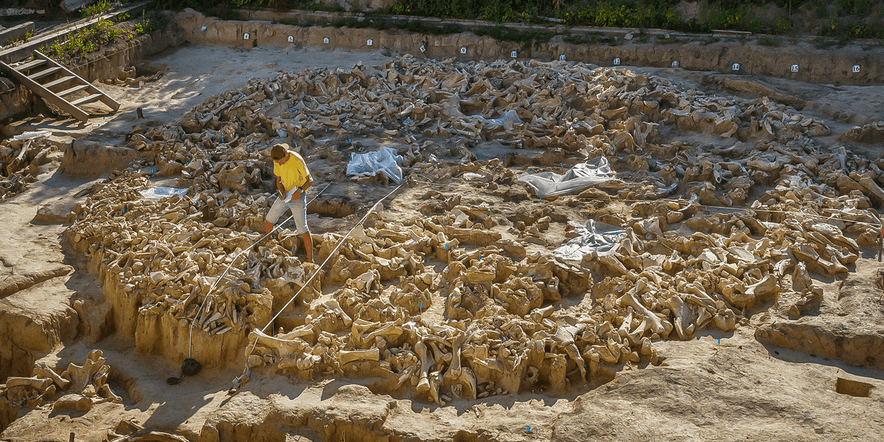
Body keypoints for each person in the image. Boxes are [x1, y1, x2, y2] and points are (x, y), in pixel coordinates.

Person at [266, 143, 314, 262]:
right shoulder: (277, 160)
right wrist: (281, 191)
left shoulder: (297, 159)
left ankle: (310, 259)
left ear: (286, 154)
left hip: (298, 194)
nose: (279, 164)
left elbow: (310, 180)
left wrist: (300, 190)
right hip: (286, 194)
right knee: (268, 220)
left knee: (302, 228)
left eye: (280, 162)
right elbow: (279, 180)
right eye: (277, 162)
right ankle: (268, 249)